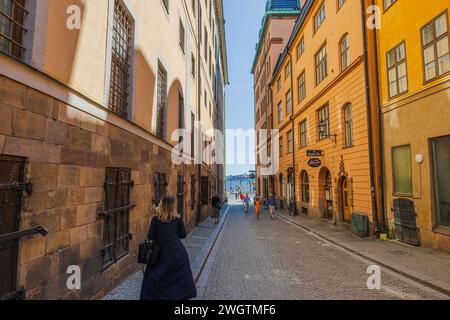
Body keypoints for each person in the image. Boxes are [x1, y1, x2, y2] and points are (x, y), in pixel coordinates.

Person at [140, 196, 197, 301]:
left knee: (153, 278)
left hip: (160, 254)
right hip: (177, 254)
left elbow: (151, 236)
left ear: (161, 205)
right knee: (178, 279)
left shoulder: (156, 219)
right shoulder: (177, 219)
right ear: (173, 206)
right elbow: (183, 235)